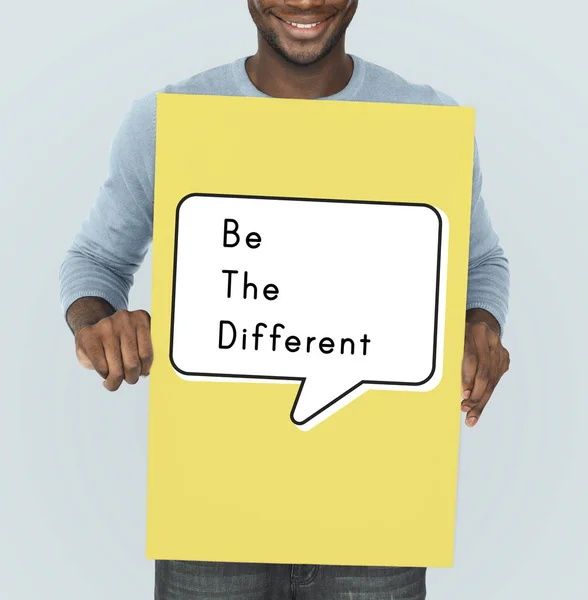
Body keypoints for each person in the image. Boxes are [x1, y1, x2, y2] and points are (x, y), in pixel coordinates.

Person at [59, 1, 511, 598]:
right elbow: (95, 262)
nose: (303, 1)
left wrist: (482, 325)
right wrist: (97, 326)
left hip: (378, 513)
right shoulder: (166, 121)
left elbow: (479, 262)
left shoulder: (425, 120)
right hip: (212, 516)